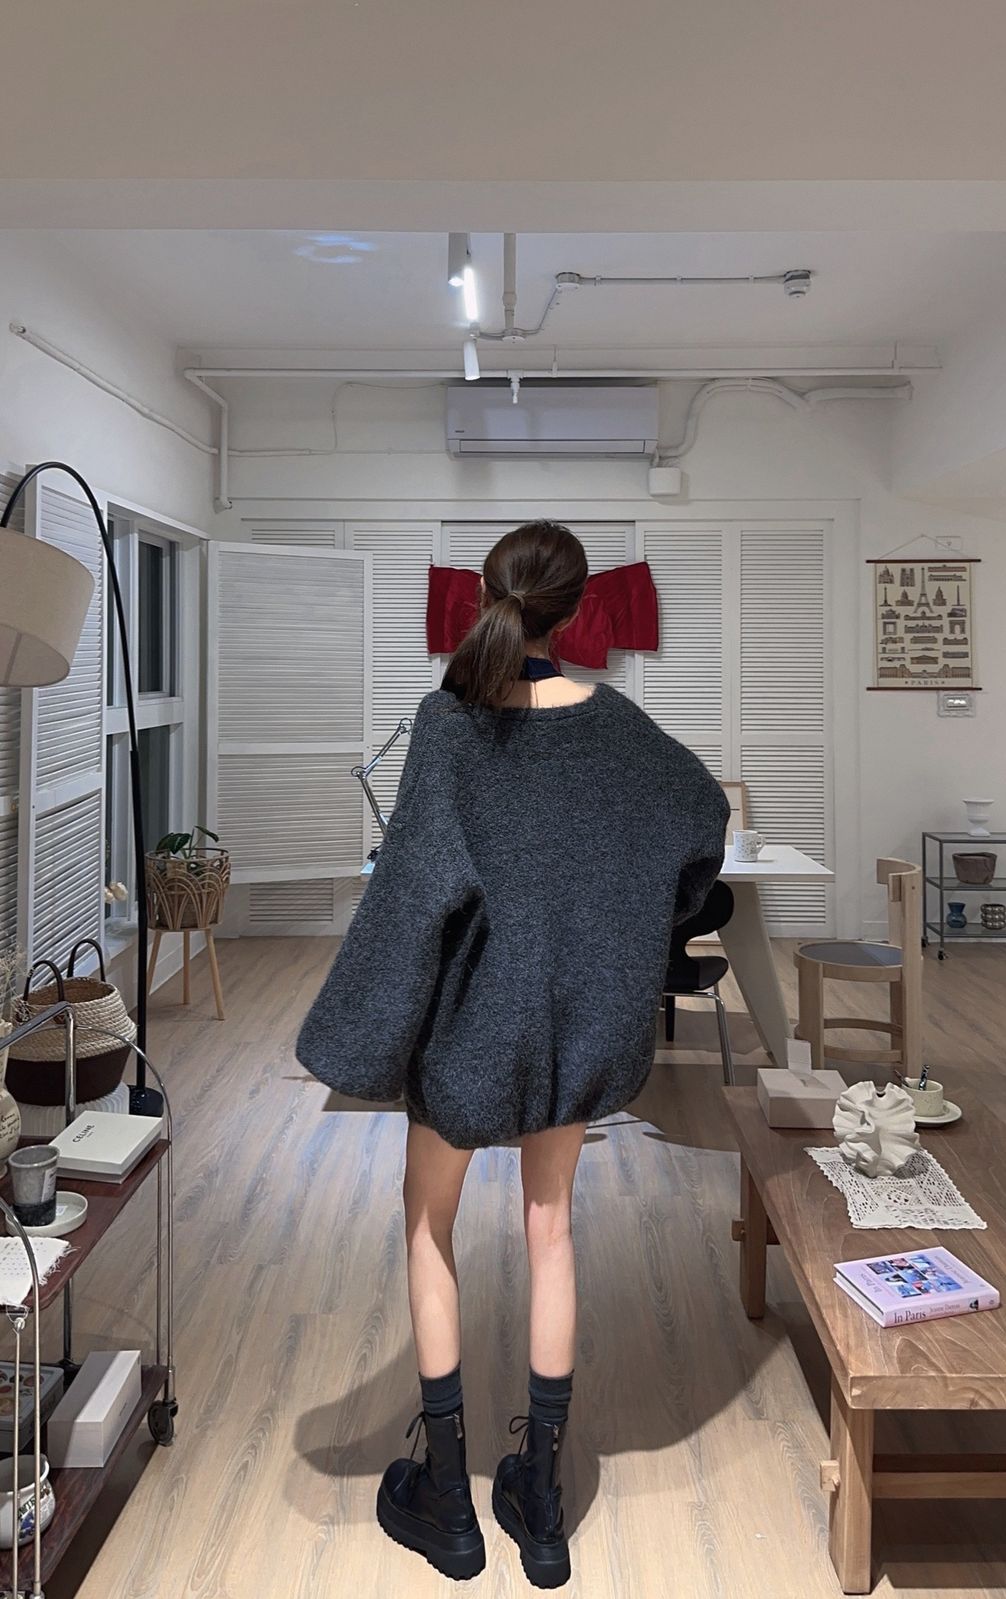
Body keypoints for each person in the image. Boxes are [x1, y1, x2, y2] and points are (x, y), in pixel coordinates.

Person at [296, 521, 731, 1588]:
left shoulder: (448, 726)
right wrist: (647, 923)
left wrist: (361, 1030)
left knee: (427, 1226)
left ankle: (448, 1503)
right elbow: (700, 815)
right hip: (575, 1029)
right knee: (551, 1233)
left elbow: (412, 895)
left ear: (487, 600)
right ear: (577, 612)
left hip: (468, 1033)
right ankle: (540, 1503)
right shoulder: (621, 727)